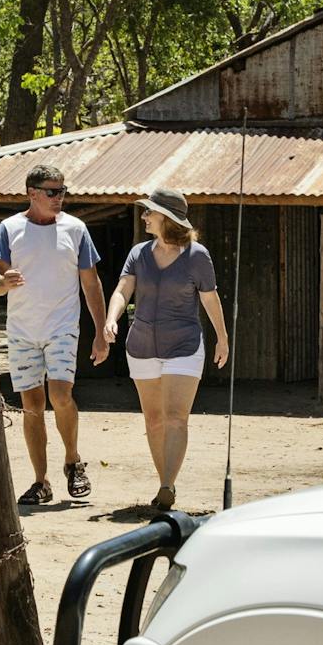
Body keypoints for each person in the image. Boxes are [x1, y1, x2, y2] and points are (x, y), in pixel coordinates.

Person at [0, 164, 108, 506]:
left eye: (62, 192)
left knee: (60, 396)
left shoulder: (76, 229)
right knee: (31, 406)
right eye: (53, 192)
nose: (60, 198)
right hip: (22, 331)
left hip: (61, 328)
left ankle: (72, 460)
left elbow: (91, 283)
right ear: (32, 193)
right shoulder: (9, 228)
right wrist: (3, 281)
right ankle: (41, 482)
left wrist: (100, 332)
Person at [103, 188, 228, 512]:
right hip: (142, 346)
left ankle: (167, 484)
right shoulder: (139, 253)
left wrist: (222, 338)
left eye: (150, 212)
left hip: (184, 345)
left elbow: (209, 298)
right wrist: (111, 318)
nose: (144, 216)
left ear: (167, 218)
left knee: (176, 418)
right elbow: (123, 289)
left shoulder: (196, 255)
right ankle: (165, 485)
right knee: (154, 420)